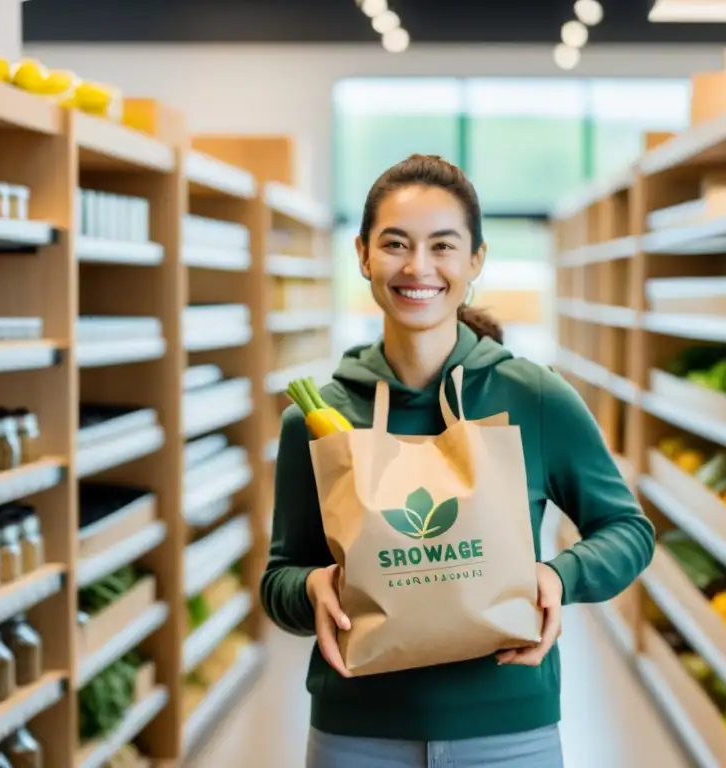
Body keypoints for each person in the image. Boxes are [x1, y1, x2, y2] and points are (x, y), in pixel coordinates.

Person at [261, 154, 655, 768]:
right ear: (363, 255)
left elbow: (628, 531)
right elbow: (279, 578)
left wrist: (557, 577)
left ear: (475, 260)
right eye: (396, 244)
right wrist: (311, 587)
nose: (418, 267)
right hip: (356, 734)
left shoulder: (534, 397)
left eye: (443, 246)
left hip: (509, 733)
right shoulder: (314, 421)